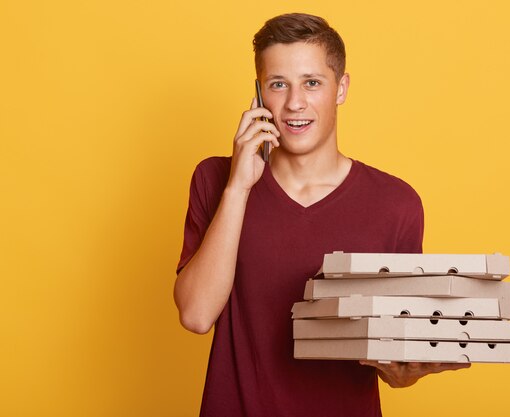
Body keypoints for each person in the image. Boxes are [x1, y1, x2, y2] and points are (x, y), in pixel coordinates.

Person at [174, 13, 469, 417]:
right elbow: (195, 315)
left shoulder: (396, 204)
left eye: (312, 83)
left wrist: (405, 373)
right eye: (279, 85)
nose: (295, 103)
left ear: (341, 88)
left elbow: (398, 352)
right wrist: (239, 187)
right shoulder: (216, 180)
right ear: (259, 94)